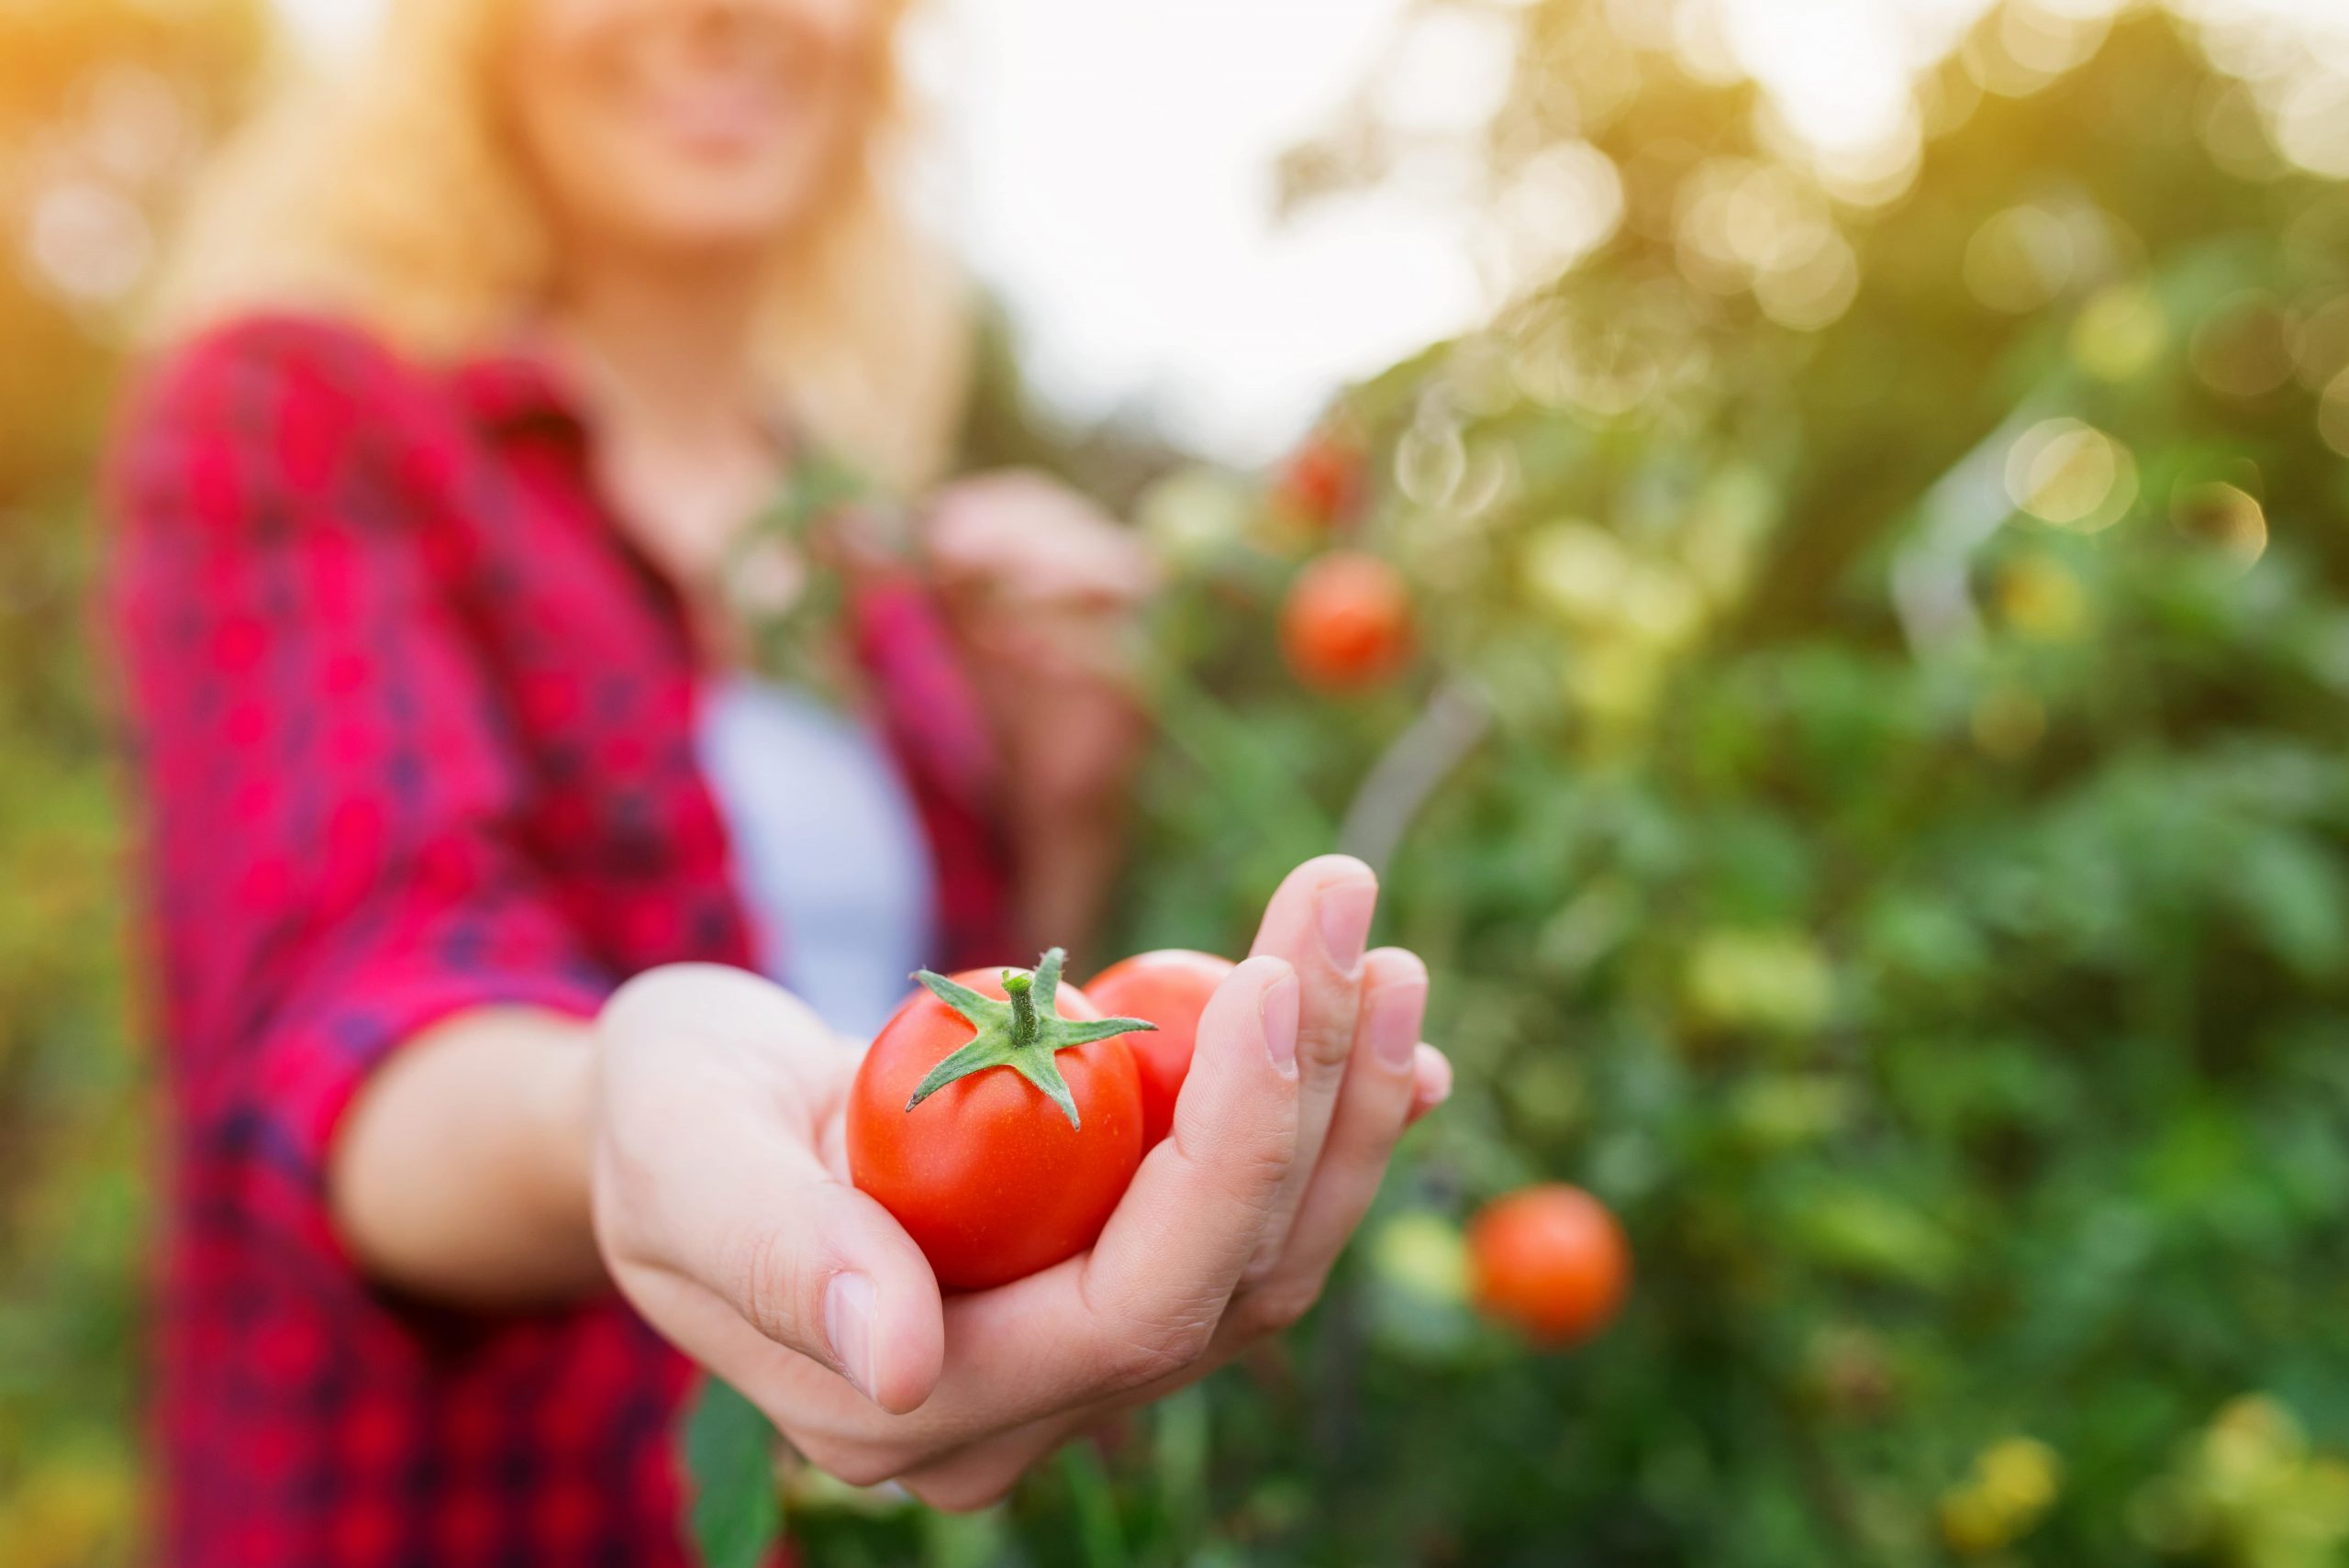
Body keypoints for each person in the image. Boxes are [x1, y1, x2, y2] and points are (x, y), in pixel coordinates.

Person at [104, 2, 1453, 1564]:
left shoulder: (873, 564)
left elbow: (966, 1089)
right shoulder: (302, 416)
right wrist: (616, 1109)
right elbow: (352, 998)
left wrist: (1065, 812)